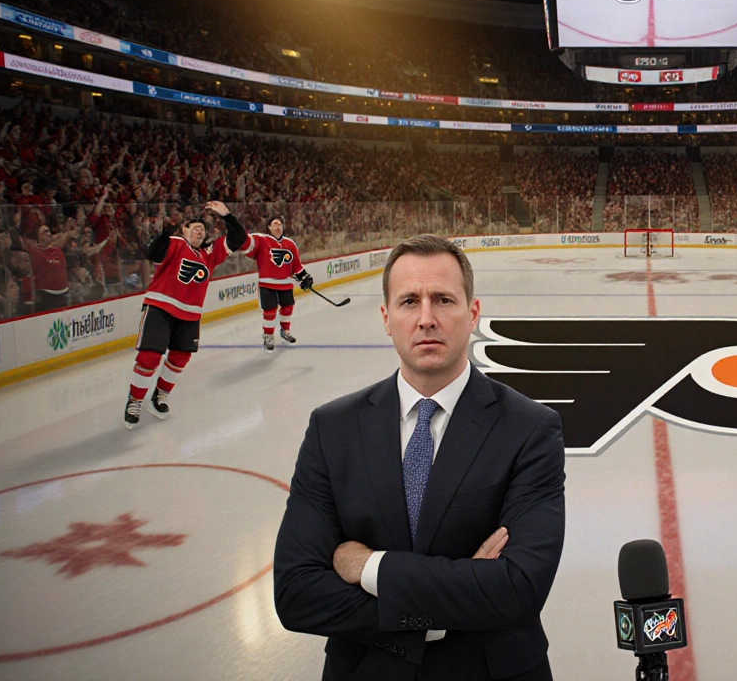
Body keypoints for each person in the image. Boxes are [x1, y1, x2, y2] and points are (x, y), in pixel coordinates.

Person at [274, 234, 565, 681]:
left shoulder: (529, 428)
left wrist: (368, 565)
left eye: (443, 300)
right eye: (410, 301)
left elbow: (518, 590)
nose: (426, 318)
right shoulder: (332, 429)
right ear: (387, 318)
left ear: (472, 314)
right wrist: (445, 605)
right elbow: (297, 593)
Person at [123, 201, 247, 428]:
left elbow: (239, 238)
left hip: (190, 314)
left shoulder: (210, 254)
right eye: (194, 227)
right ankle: (135, 400)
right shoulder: (175, 243)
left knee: (180, 358)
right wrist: (165, 232)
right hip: (160, 307)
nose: (199, 229)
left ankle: (160, 395)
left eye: (202, 228)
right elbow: (153, 254)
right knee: (149, 358)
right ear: (184, 231)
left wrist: (226, 215)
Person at [242, 214, 312, 352]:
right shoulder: (262, 240)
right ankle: (268, 336)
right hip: (267, 284)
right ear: (269, 227)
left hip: (285, 283)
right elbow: (248, 248)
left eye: (280, 224)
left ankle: (285, 331)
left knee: (288, 308)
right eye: (275, 224)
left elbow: (296, 266)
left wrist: (305, 278)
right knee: (269, 311)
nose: (278, 226)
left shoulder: (290, 244)